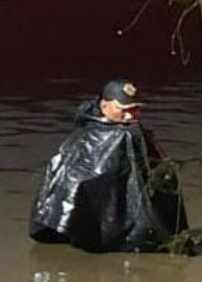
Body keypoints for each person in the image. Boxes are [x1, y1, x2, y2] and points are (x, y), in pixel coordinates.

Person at [29, 80, 189, 253]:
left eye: (135, 109)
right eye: (124, 110)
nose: (130, 116)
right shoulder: (90, 133)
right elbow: (73, 178)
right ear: (104, 106)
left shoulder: (131, 132)